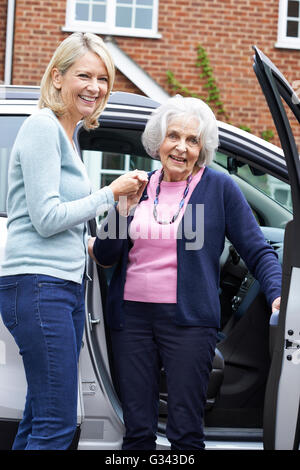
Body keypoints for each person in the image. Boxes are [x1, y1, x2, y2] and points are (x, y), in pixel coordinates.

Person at [88, 95, 282, 450]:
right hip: (130, 320)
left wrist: (278, 294)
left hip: (190, 323)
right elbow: (104, 255)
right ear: (158, 142)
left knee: (186, 431)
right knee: (137, 431)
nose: (181, 147)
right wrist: (120, 209)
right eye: (173, 136)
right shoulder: (138, 185)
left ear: (202, 148)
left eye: (192, 140)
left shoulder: (218, 188)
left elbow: (257, 249)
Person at [0, 32, 147, 450]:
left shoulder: (67, 135)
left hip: (59, 287)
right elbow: (46, 220)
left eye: (103, 78)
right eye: (84, 75)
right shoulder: (43, 128)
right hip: (39, 287)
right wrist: (109, 192)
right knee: (57, 425)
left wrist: (120, 210)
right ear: (58, 77)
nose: (95, 87)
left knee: (37, 419)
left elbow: (68, 226)